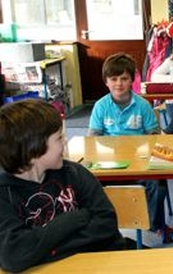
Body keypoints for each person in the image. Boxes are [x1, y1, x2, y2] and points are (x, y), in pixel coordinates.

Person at [0, 100, 125, 272]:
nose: (65, 143)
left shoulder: (74, 172)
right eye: (59, 138)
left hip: (101, 264)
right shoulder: (4, 193)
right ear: (33, 149)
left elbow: (107, 224)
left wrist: (41, 249)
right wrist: (74, 219)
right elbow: (13, 256)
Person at [88, 53, 173, 244]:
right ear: (106, 81)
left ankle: (156, 225)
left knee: (157, 183)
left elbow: (154, 136)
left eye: (124, 79)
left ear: (132, 80)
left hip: (140, 162)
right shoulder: (100, 106)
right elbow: (93, 139)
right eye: (114, 79)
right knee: (90, 184)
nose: (119, 84)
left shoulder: (142, 105)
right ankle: (104, 227)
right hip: (111, 164)